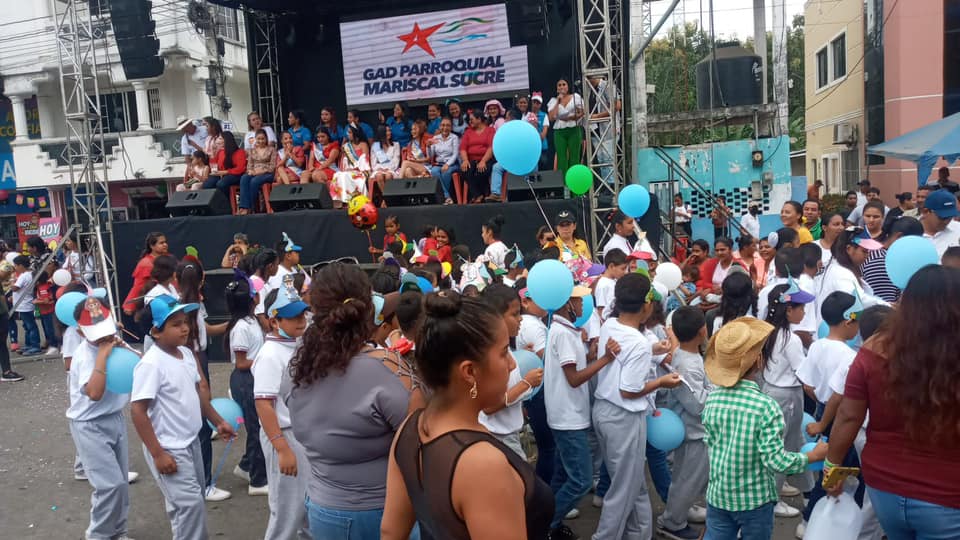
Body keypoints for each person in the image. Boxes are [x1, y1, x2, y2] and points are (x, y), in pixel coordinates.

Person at [380, 290, 553, 540]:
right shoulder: (484, 464)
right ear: (469, 372)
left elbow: (390, 531)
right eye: (504, 352)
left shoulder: (411, 428)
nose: (513, 364)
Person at [824, 265, 960, 539]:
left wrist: (831, 468)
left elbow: (849, 416)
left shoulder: (874, 347)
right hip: (947, 493)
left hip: (884, 486)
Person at [283, 263, 412, 539]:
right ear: (367, 308)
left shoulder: (299, 364)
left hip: (323, 508)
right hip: (384, 513)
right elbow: (418, 436)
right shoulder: (385, 368)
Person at [702, 317, 828, 539]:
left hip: (718, 494)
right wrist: (810, 457)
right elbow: (775, 460)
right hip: (754, 501)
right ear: (759, 360)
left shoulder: (712, 399)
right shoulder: (765, 407)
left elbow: (710, 442)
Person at [131, 294, 236, 540]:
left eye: (185, 321)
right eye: (175, 324)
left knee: (190, 502)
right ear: (156, 332)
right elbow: (138, 411)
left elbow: (198, 395)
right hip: (169, 446)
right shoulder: (151, 364)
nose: (185, 328)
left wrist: (218, 421)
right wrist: (158, 453)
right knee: (190, 506)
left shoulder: (186, 354)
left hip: (190, 442)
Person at [592, 273, 681, 540]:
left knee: (634, 485)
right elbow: (629, 391)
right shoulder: (639, 343)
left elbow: (625, 354)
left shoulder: (610, 324)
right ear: (646, 305)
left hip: (604, 411)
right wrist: (661, 382)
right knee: (623, 491)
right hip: (624, 417)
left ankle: (639, 534)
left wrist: (652, 350)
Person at [544, 283, 616, 538]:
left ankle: (547, 522)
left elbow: (572, 370)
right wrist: (605, 359)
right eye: (578, 300)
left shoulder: (566, 330)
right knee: (581, 481)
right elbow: (574, 378)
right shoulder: (563, 333)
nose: (584, 305)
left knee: (563, 475)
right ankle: (546, 525)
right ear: (567, 304)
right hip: (568, 417)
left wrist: (592, 356)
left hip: (566, 413)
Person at [67, 297, 133, 540]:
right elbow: (94, 393)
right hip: (89, 424)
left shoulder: (115, 344)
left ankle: (118, 531)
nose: (103, 337)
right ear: (80, 332)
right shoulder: (85, 355)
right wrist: (103, 354)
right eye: (96, 334)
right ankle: (98, 535)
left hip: (114, 417)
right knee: (109, 485)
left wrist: (120, 348)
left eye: (106, 329)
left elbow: (134, 369)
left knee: (121, 483)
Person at [253, 286, 311, 540]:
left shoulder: (297, 345)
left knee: (306, 506)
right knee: (287, 510)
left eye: (302, 314)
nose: (301, 320)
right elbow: (263, 404)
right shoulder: (269, 355)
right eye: (293, 316)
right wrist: (282, 449)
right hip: (283, 434)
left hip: (300, 433)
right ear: (274, 321)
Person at [761, 281, 816, 518]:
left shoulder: (769, 331)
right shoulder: (791, 339)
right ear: (788, 310)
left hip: (772, 390)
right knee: (783, 447)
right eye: (801, 307)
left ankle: (809, 490)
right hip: (787, 397)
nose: (804, 312)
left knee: (794, 441)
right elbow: (803, 373)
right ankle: (771, 499)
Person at [657, 306, 711, 539]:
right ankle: (672, 522)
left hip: (694, 431)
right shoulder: (687, 364)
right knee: (687, 481)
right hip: (693, 432)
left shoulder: (686, 355)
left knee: (688, 478)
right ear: (702, 331)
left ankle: (679, 512)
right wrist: (717, 393)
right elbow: (697, 405)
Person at [478, 284, 543, 457]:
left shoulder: (504, 348)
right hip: (498, 437)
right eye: (514, 314)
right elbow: (489, 406)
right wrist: (526, 383)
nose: (520, 319)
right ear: (495, 318)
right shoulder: (488, 353)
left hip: (508, 434)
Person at [223, 276, 268, 495]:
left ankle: (246, 466)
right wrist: (264, 360)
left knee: (256, 426)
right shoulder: (241, 327)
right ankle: (257, 481)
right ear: (251, 299)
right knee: (256, 428)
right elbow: (241, 363)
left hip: (254, 377)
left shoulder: (252, 321)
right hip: (246, 380)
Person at [815, 228, 889, 327]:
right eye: (864, 251)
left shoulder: (836, 268)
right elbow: (857, 299)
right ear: (849, 249)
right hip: (837, 329)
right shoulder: (841, 273)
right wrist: (886, 306)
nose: (867, 256)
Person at [862, 216, 923, 303]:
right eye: (915, 243)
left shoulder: (884, 256)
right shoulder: (881, 263)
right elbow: (883, 305)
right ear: (899, 236)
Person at [123, 232, 167, 317]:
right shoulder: (146, 264)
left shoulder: (168, 259)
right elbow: (138, 286)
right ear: (152, 246)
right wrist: (129, 306)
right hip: (153, 304)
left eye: (165, 242)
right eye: (161, 243)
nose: (165, 245)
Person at [547, 78, 585, 174]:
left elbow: (582, 112)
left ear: (568, 86)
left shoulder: (575, 97)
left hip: (574, 129)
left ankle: (574, 181)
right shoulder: (553, 100)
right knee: (561, 158)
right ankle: (563, 182)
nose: (562, 87)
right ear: (557, 88)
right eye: (559, 85)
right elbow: (551, 118)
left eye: (564, 84)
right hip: (559, 131)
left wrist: (571, 117)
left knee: (574, 157)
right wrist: (558, 101)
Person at [329, 125, 371, 209]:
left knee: (346, 175)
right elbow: (345, 160)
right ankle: (339, 202)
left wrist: (355, 168)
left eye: (350, 132)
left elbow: (365, 160)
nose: (348, 134)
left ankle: (350, 201)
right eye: (348, 132)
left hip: (361, 171)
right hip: (348, 170)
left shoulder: (363, 145)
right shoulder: (346, 146)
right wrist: (347, 168)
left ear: (356, 134)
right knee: (337, 175)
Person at [459, 110, 495, 203]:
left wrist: (483, 161)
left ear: (479, 119)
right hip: (471, 160)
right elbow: (463, 148)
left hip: (486, 158)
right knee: (464, 171)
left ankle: (484, 194)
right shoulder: (468, 132)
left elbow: (491, 147)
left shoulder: (490, 130)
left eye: (472, 119)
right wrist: (465, 160)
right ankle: (478, 195)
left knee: (482, 171)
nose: (469, 122)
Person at [238, 129, 277, 215]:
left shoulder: (272, 149)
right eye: (258, 139)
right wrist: (251, 171)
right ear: (255, 139)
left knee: (254, 181)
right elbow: (249, 165)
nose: (261, 141)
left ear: (266, 139)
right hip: (254, 172)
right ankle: (244, 207)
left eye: (263, 139)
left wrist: (260, 172)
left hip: (267, 173)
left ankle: (252, 207)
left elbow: (272, 167)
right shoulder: (252, 150)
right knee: (244, 178)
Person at [11, 255, 40, 355]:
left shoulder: (23, 276)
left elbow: (15, 288)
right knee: (27, 326)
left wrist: (12, 282)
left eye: (16, 265)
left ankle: (35, 345)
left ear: (21, 265)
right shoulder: (29, 274)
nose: (15, 268)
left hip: (24, 305)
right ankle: (29, 344)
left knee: (30, 326)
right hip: (24, 305)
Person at [202, 131, 246, 197]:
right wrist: (213, 154)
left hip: (235, 175)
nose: (217, 141)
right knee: (208, 184)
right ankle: (212, 202)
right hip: (221, 174)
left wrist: (225, 172)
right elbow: (214, 165)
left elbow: (240, 168)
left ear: (226, 140)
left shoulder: (239, 152)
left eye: (220, 138)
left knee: (221, 184)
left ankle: (225, 202)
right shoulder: (221, 152)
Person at [428, 117, 460, 205]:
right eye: (443, 125)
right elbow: (431, 155)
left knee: (446, 172)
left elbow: (455, 154)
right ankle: (447, 196)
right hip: (439, 164)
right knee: (434, 171)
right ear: (439, 126)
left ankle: (444, 197)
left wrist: (447, 164)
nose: (445, 128)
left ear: (451, 127)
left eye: (447, 125)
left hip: (452, 164)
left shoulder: (454, 138)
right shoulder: (435, 138)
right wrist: (428, 147)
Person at [920, 189, 960, 257]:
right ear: (925, 212)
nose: (946, 221)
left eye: (950, 217)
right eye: (942, 217)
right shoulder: (908, 232)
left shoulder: (958, 230)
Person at [368, 125, 401, 203]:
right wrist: (381, 168)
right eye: (386, 131)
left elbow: (396, 161)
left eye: (389, 131)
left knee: (388, 175)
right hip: (379, 170)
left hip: (392, 169)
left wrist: (387, 169)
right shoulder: (375, 146)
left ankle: (385, 200)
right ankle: (387, 199)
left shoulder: (396, 145)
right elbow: (373, 163)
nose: (389, 133)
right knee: (379, 176)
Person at [594, 248, 627, 321]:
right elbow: (601, 310)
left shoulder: (614, 281)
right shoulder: (603, 285)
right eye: (623, 269)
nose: (625, 272)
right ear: (611, 266)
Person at [530, 92, 552, 170]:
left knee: (543, 168)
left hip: (542, 147)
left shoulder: (544, 115)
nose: (535, 105)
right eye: (534, 102)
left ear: (541, 105)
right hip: (530, 147)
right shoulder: (527, 115)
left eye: (538, 103)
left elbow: (543, 136)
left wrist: (535, 126)